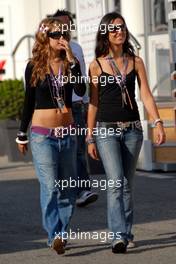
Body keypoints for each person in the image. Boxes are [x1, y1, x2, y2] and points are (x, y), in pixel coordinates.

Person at [87, 12, 166, 253]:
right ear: (105, 34)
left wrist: (158, 122)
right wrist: (89, 136)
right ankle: (118, 236)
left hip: (132, 130)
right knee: (115, 183)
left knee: (127, 185)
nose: (119, 32)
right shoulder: (96, 65)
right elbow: (93, 103)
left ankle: (126, 231)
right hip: (106, 130)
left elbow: (145, 94)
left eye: (121, 28)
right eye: (113, 29)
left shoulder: (136, 61)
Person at [16, 17, 86, 254]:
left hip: (67, 132)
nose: (61, 39)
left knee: (67, 186)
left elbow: (80, 91)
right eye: (56, 35)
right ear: (46, 38)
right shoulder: (34, 66)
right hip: (42, 135)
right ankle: (54, 234)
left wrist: (73, 62)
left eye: (64, 34)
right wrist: (21, 134)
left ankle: (62, 233)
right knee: (50, 186)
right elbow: (28, 103)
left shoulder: (70, 64)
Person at [49, 9, 98, 207]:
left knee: (78, 149)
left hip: (76, 105)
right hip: (53, 109)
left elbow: (81, 79)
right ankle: (63, 190)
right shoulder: (45, 51)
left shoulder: (75, 48)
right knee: (59, 152)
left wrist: (86, 102)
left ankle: (83, 190)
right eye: (59, 25)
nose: (63, 29)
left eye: (67, 24)